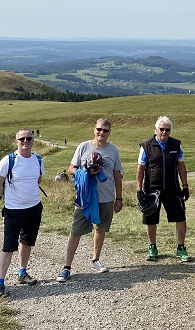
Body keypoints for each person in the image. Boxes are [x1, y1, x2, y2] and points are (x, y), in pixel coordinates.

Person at [57, 119, 124, 282]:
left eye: (105, 130)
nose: (102, 133)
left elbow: (117, 176)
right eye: (99, 129)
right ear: (94, 130)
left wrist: (119, 198)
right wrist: (86, 170)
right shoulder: (83, 147)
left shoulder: (113, 150)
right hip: (85, 197)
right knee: (76, 231)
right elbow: (72, 168)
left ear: (109, 132)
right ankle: (66, 267)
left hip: (106, 197)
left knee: (100, 228)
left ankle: (95, 260)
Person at [0, 128, 46, 296]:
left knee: (27, 242)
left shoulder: (37, 159)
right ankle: (0, 283)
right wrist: (8, 199)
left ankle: (22, 273)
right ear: (16, 141)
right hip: (13, 211)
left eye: (28, 138)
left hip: (34, 208)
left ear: (33, 141)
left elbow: (37, 179)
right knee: (8, 246)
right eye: (21, 139)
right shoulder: (8, 160)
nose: (25, 141)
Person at [136, 116, 191, 262]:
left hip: (173, 188)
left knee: (180, 217)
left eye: (167, 129)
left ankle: (181, 248)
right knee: (150, 218)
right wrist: (139, 189)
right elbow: (140, 168)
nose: (164, 132)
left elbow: (181, 166)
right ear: (155, 129)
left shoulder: (176, 145)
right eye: (161, 129)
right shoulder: (146, 145)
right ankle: (152, 247)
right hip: (152, 189)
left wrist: (185, 186)